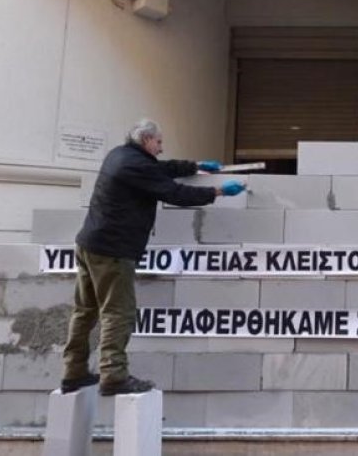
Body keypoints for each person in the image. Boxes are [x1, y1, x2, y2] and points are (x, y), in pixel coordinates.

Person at [60, 118, 247, 395]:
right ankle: (113, 375)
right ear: (146, 140)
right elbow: (174, 192)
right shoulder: (135, 165)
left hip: (89, 243)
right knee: (118, 312)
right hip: (113, 250)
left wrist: (195, 166)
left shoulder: (120, 155)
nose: (161, 147)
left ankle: (73, 372)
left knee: (85, 310)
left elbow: (160, 169)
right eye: (158, 142)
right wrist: (218, 191)